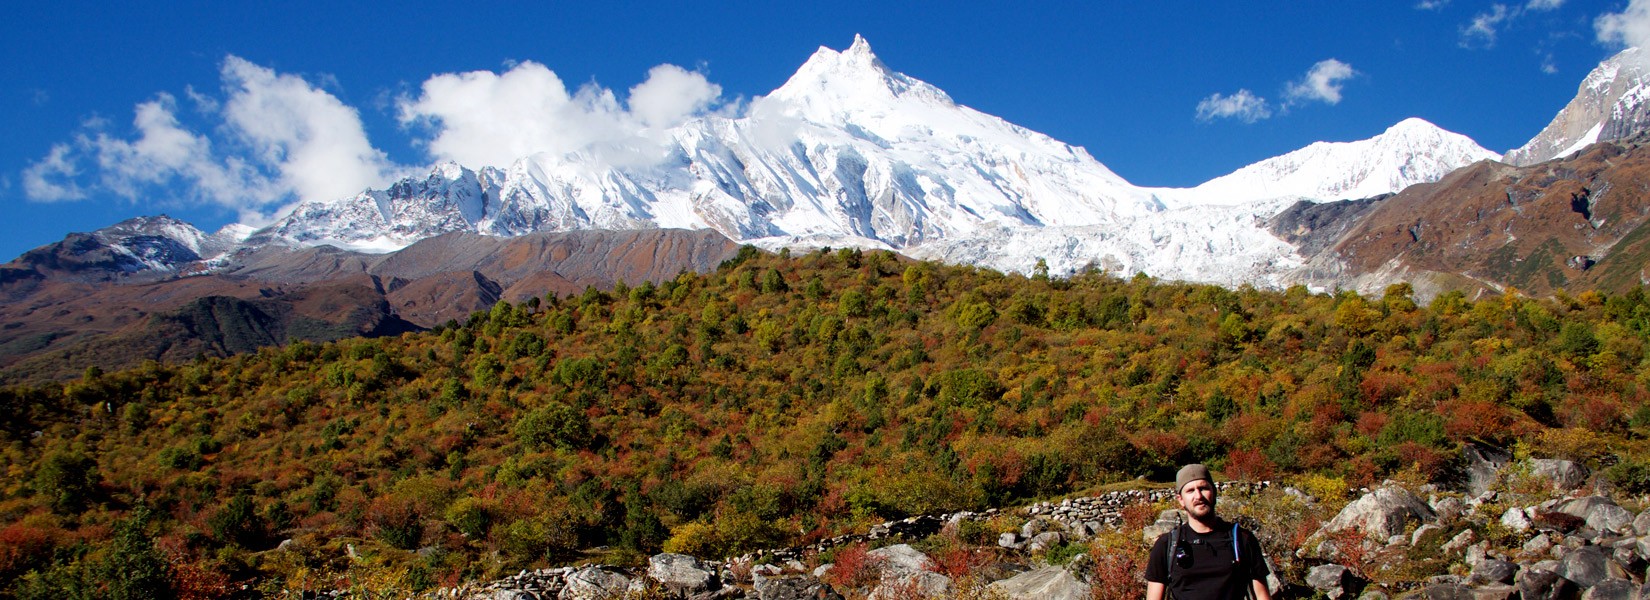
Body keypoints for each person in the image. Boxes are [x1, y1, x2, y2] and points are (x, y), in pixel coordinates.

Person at [1145, 464, 1271, 600]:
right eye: (1190, 491)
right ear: (1180, 500)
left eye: (1203, 488)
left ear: (1214, 491)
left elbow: (1262, 596)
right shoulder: (1166, 546)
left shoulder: (1242, 539)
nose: (1198, 496)